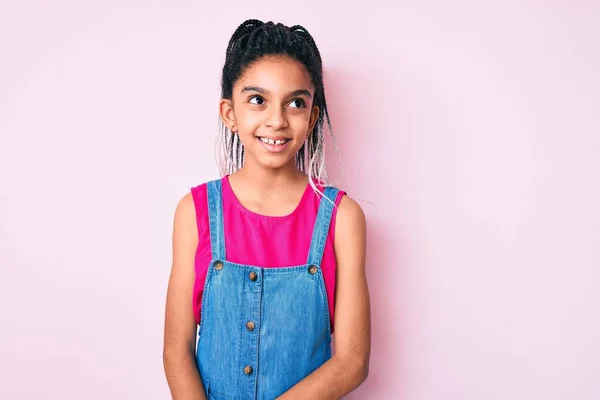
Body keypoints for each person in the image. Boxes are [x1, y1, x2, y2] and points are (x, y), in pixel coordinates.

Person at [163, 19, 370, 400]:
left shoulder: (342, 218)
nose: (276, 120)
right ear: (229, 112)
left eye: (295, 103)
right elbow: (177, 353)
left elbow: (353, 361)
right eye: (257, 99)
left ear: (312, 117)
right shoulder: (194, 212)